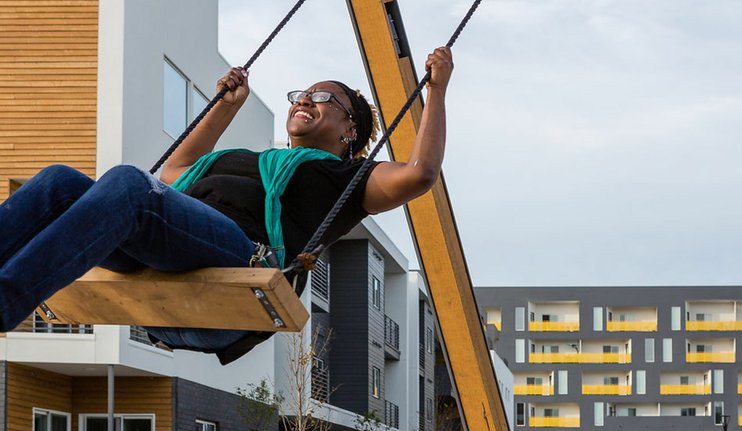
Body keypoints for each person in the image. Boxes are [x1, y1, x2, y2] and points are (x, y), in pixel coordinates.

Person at [0, 46, 453, 365]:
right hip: (171, 254)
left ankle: (6, 300)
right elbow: (175, 174)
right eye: (300, 95)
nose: (304, 101)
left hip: (241, 262)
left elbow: (419, 173)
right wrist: (226, 107)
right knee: (60, 181)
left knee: (127, 185)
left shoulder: (343, 177)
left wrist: (435, 91)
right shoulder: (248, 159)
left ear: (348, 129)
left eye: (321, 97)